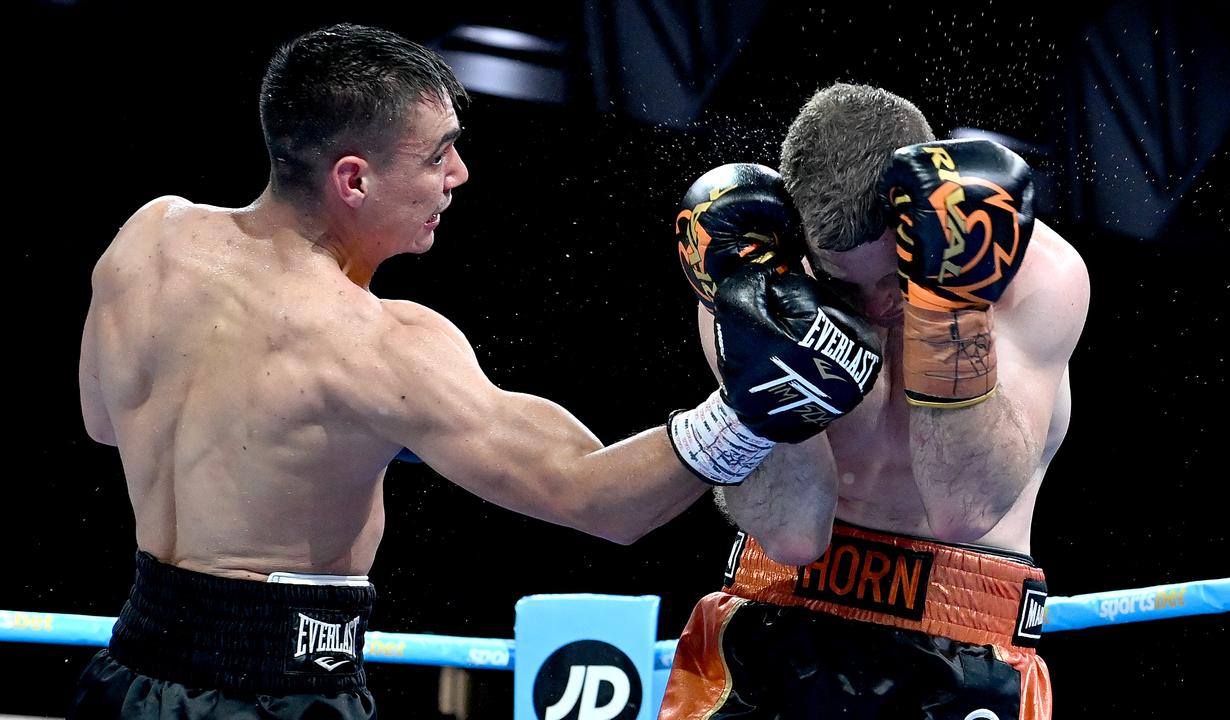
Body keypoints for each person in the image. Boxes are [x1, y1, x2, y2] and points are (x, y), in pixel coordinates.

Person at [72, 25, 880, 718]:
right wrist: (748, 411)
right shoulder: (379, 346)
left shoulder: (151, 237)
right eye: (438, 155)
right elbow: (595, 501)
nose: (458, 177)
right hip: (278, 694)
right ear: (353, 179)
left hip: (128, 667)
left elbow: (103, 423)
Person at [660, 83, 1089, 718]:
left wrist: (950, 308)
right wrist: (770, 365)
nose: (877, 306)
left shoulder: (1033, 275)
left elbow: (963, 508)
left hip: (962, 637)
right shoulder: (750, 277)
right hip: (774, 616)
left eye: (894, 276)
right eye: (839, 283)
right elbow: (790, 534)